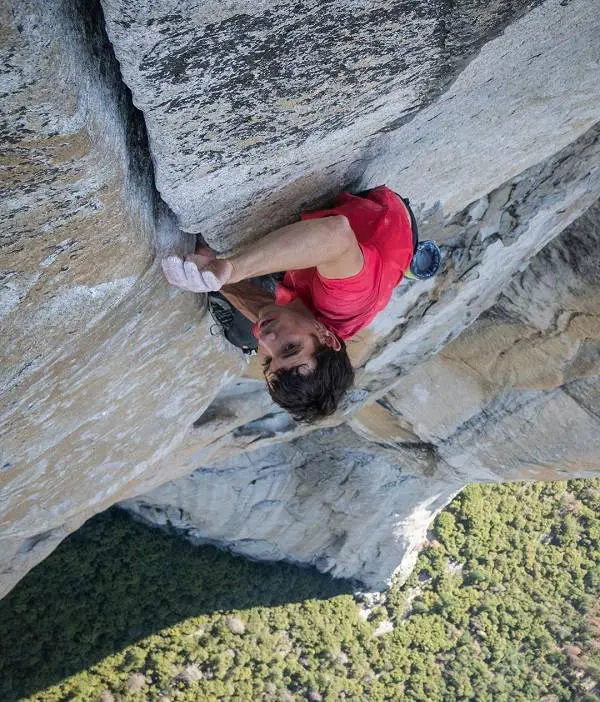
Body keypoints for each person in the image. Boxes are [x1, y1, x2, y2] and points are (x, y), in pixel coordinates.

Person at [162, 186, 435, 422]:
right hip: (381, 217)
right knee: (245, 323)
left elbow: (261, 315)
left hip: (354, 271)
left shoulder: (300, 331)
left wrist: (213, 275)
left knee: (246, 332)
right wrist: (232, 268)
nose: (268, 340)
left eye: (268, 362)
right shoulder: (344, 300)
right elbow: (336, 233)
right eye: (290, 348)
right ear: (327, 338)